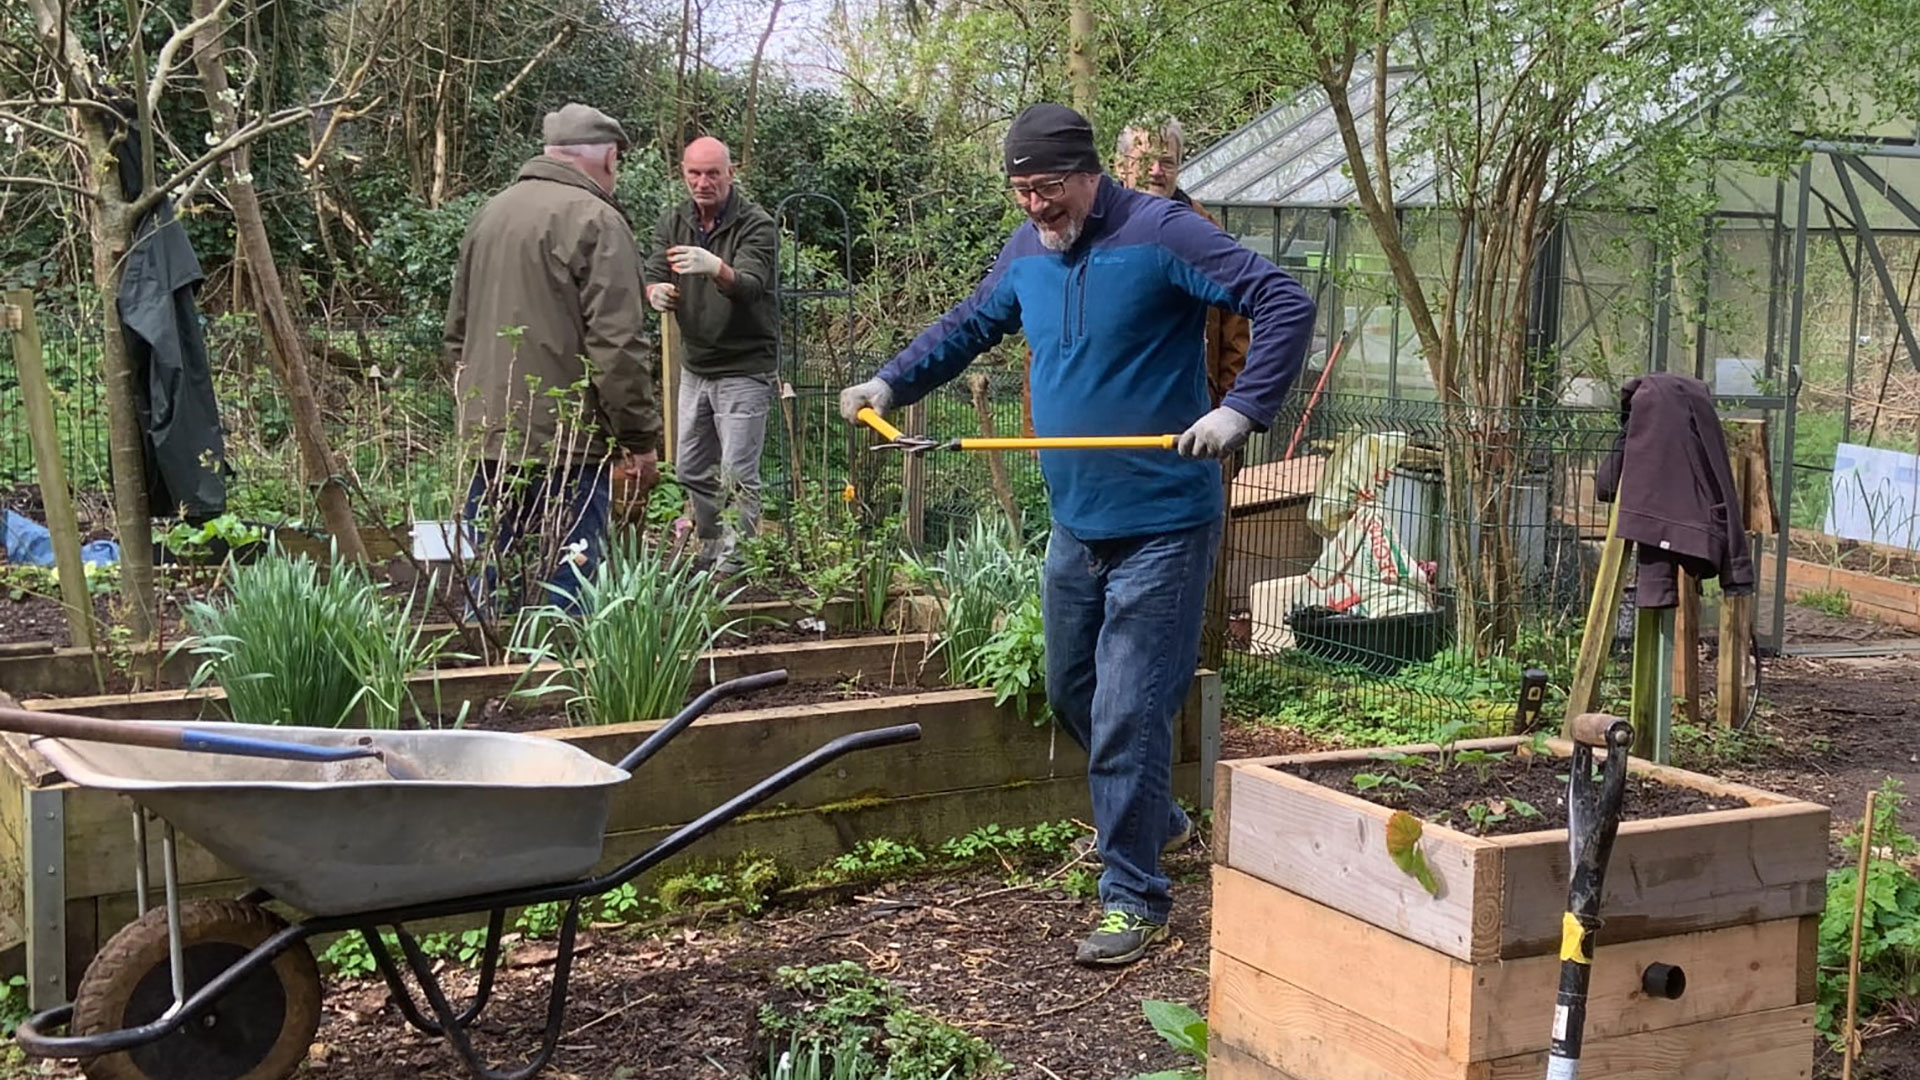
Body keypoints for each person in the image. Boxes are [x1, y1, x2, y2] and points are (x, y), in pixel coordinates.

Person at [838, 104, 1315, 966]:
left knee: (1130, 710)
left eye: (1047, 188)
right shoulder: (1029, 253)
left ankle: (1135, 897)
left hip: (1165, 523)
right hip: (1077, 524)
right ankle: (1155, 815)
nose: (1035, 206)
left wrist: (1242, 409)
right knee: (1069, 690)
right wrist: (888, 382)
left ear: (1090, 173)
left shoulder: (1162, 232)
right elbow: (968, 325)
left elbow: (1281, 298)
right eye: (1021, 191)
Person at [444, 103, 661, 609]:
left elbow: (456, 331)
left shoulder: (490, 214)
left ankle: (490, 679)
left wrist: (478, 410)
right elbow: (618, 344)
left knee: (494, 578)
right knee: (567, 586)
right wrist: (637, 437)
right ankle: (558, 682)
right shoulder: (597, 220)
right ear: (608, 158)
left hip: (491, 435)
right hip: (568, 441)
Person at [643, 136, 779, 576]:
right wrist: (655, 291)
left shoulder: (755, 224)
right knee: (690, 467)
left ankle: (735, 564)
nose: (703, 183)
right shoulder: (675, 220)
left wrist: (716, 266)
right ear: (683, 173)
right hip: (696, 365)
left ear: (730, 174)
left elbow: (753, 283)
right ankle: (711, 543)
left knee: (738, 474)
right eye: (694, 174)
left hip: (744, 366)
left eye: (712, 174)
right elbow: (653, 268)